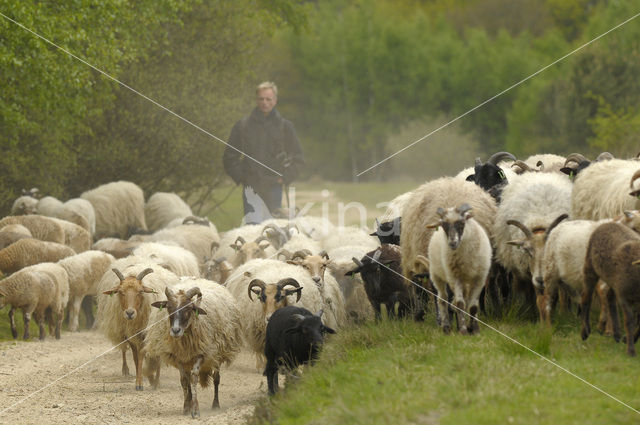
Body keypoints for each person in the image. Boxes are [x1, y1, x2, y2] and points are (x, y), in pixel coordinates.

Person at [223, 82, 304, 223]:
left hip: (274, 188)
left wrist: (284, 178)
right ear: (256, 100)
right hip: (251, 188)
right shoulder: (243, 126)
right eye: (261, 99)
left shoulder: (285, 127)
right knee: (252, 231)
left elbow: (299, 159)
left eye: (268, 99)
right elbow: (229, 157)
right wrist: (242, 177)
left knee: (273, 230)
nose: (264, 103)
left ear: (275, 101)